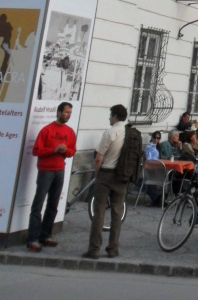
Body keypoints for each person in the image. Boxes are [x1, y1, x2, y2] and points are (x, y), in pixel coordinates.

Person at [26, 101, 76, 251]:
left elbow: (72, 150)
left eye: (70, 113)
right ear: (59, 112)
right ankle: (32, 239)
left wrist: (65, 151)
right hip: (46, 170)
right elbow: (36, 151)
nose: (68, 115)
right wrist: (54, 150)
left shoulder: (70, 132)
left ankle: (45, 235)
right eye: (66, 112)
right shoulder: (47, 130)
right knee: (38, 204)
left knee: (53, 204)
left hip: (60, 170)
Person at [82, 103, 128, 259]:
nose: (109, 118)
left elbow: (99, 158)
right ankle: (113, 249)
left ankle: (94, 249)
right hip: (122, 176)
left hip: (106, 174)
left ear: (115, 116)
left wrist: (97, 174)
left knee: (99, 212)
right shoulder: (129, 133)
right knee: (117, 213)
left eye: (110, 115)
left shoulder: (110, 132)